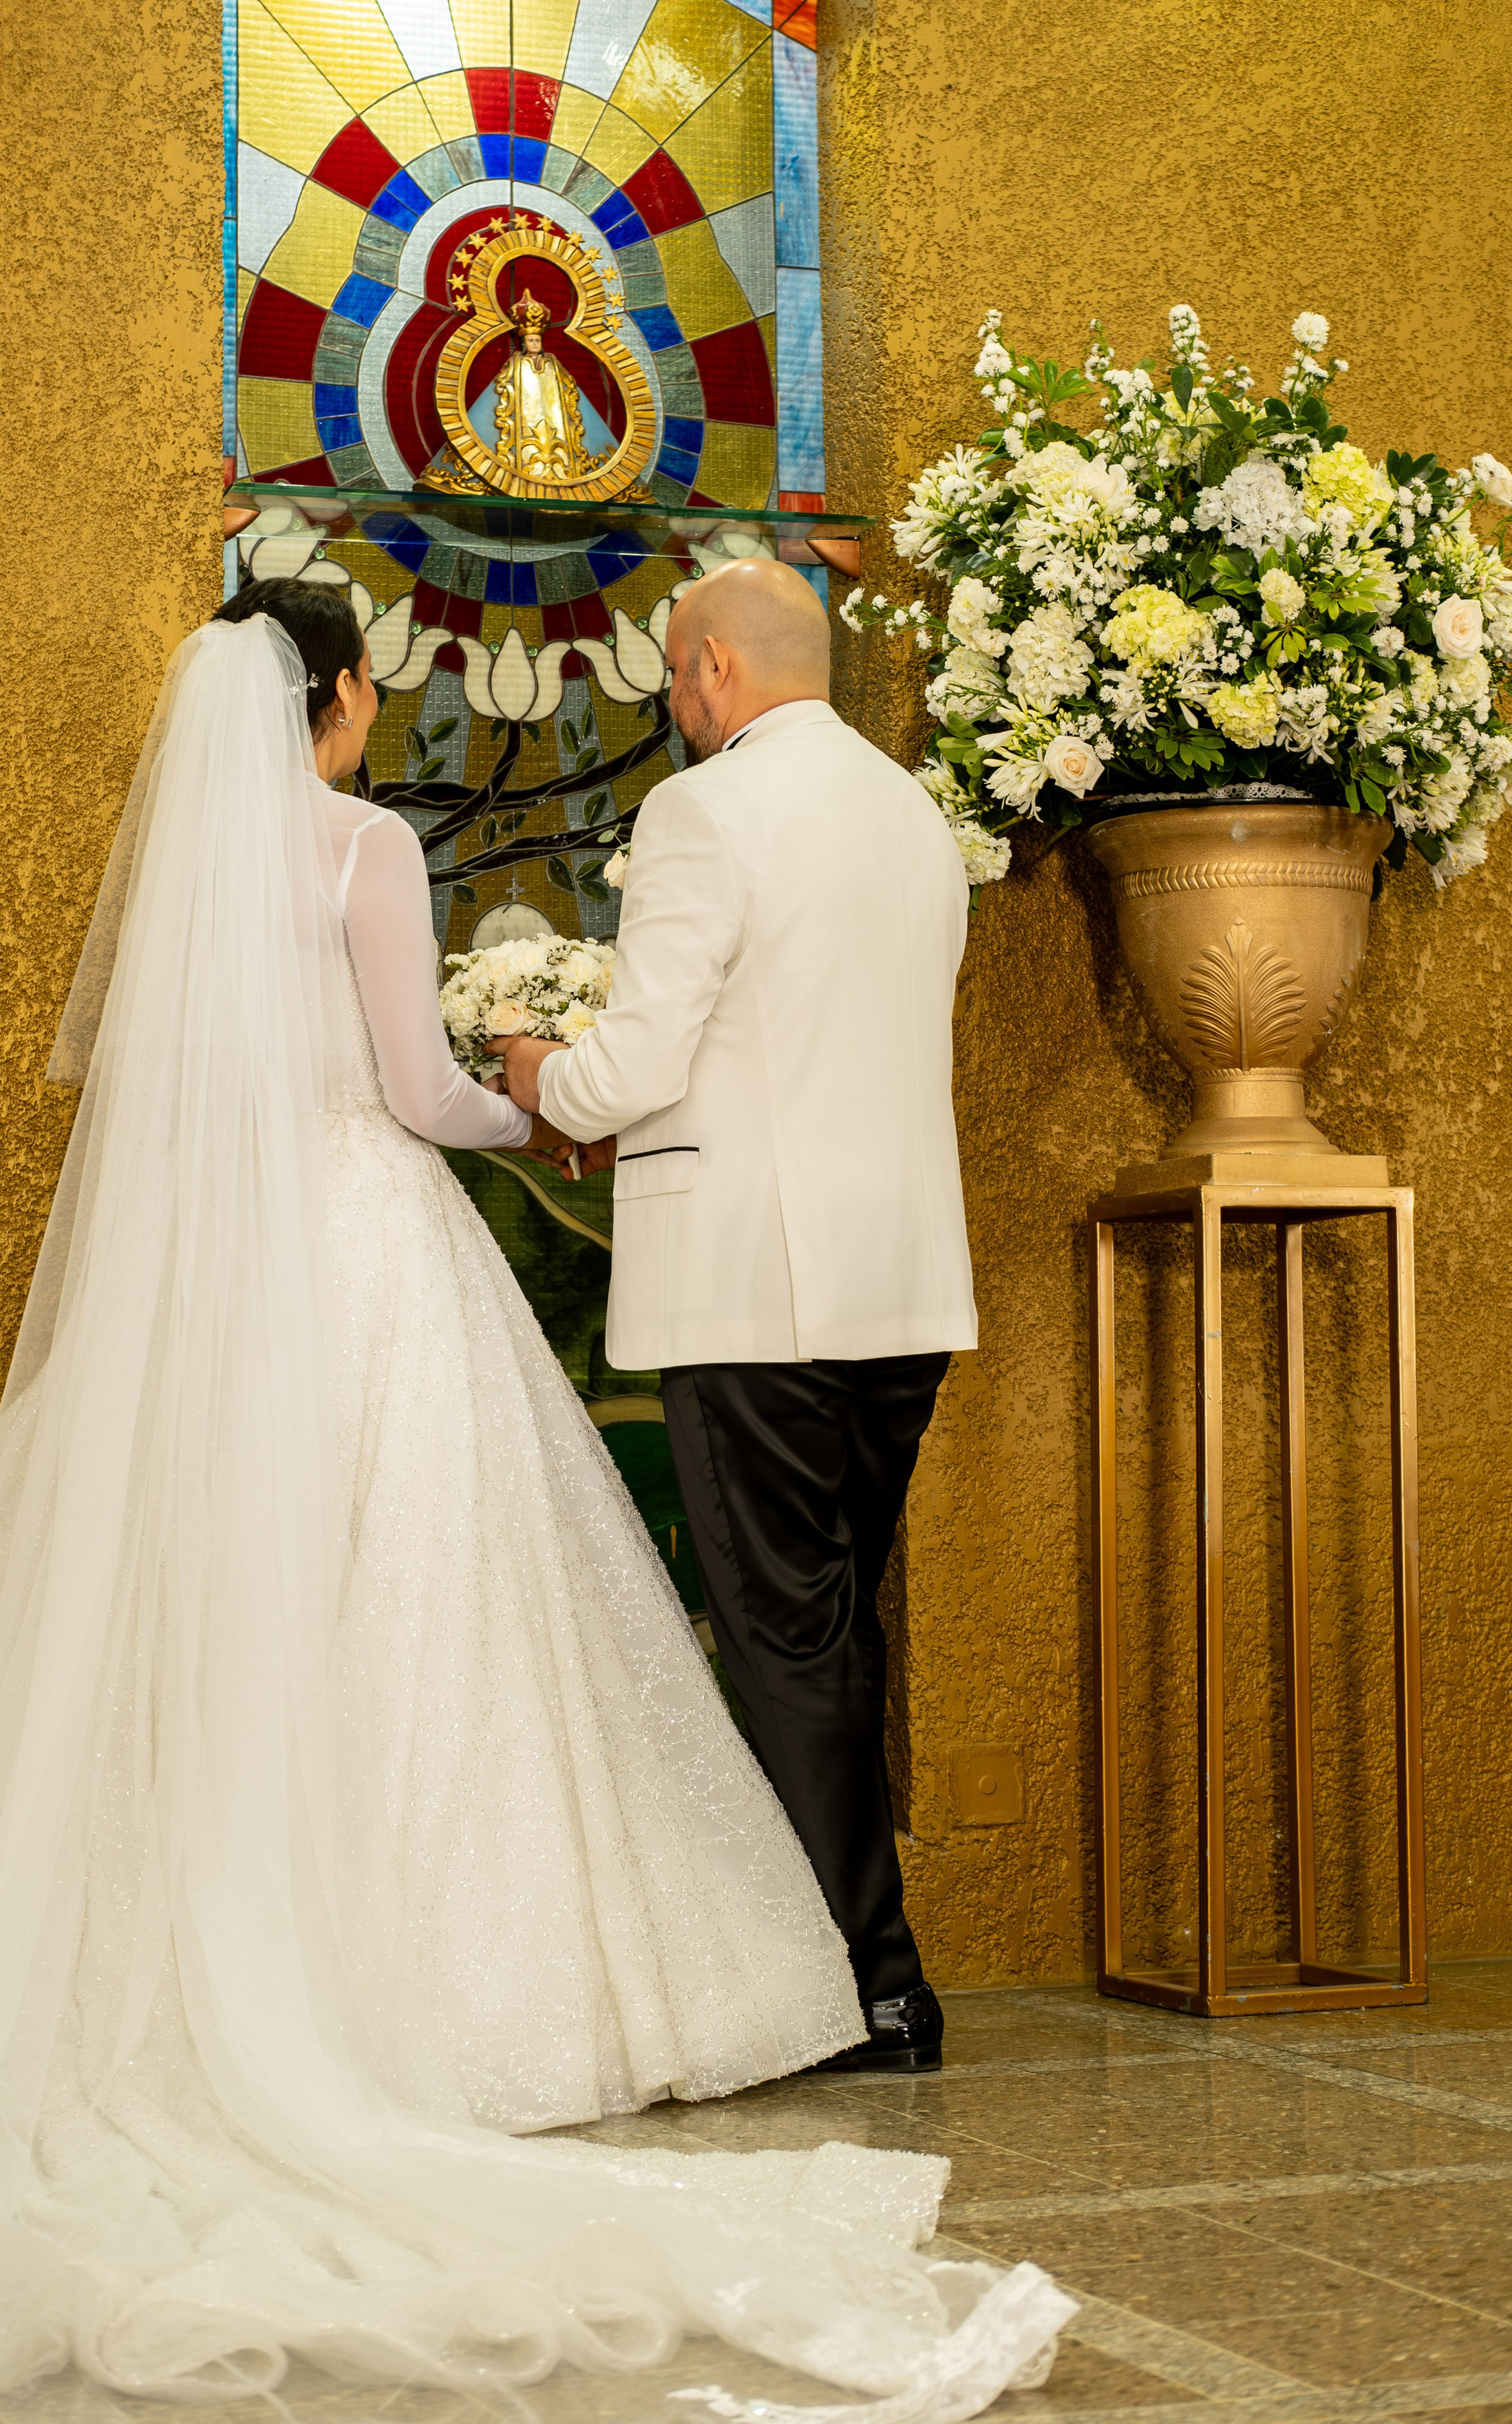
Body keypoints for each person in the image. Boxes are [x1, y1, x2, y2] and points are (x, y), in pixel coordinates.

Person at [0, 581, 1071, 2419]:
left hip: (220, 1283)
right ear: (343, 696)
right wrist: (515, 1098)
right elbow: (409, 1091)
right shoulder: (444, 840)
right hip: (675, 1267)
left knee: (208, 1595)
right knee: (451, 1604)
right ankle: (786, 1971)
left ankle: (182, 1952)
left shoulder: (207, 877)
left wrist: (547, 1076)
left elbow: (262, 1084)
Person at [496, 560, 976, 2076]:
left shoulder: (705, 810)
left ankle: (860, 1987)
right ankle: (848, 1969)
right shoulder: (912, 818)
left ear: (705, 667)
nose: (672, 703)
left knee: (783, 1636)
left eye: (671, 677)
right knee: (831, 1624)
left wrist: (533, 1074)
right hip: (898, 1282)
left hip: (756, 1285)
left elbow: (635, 1060)